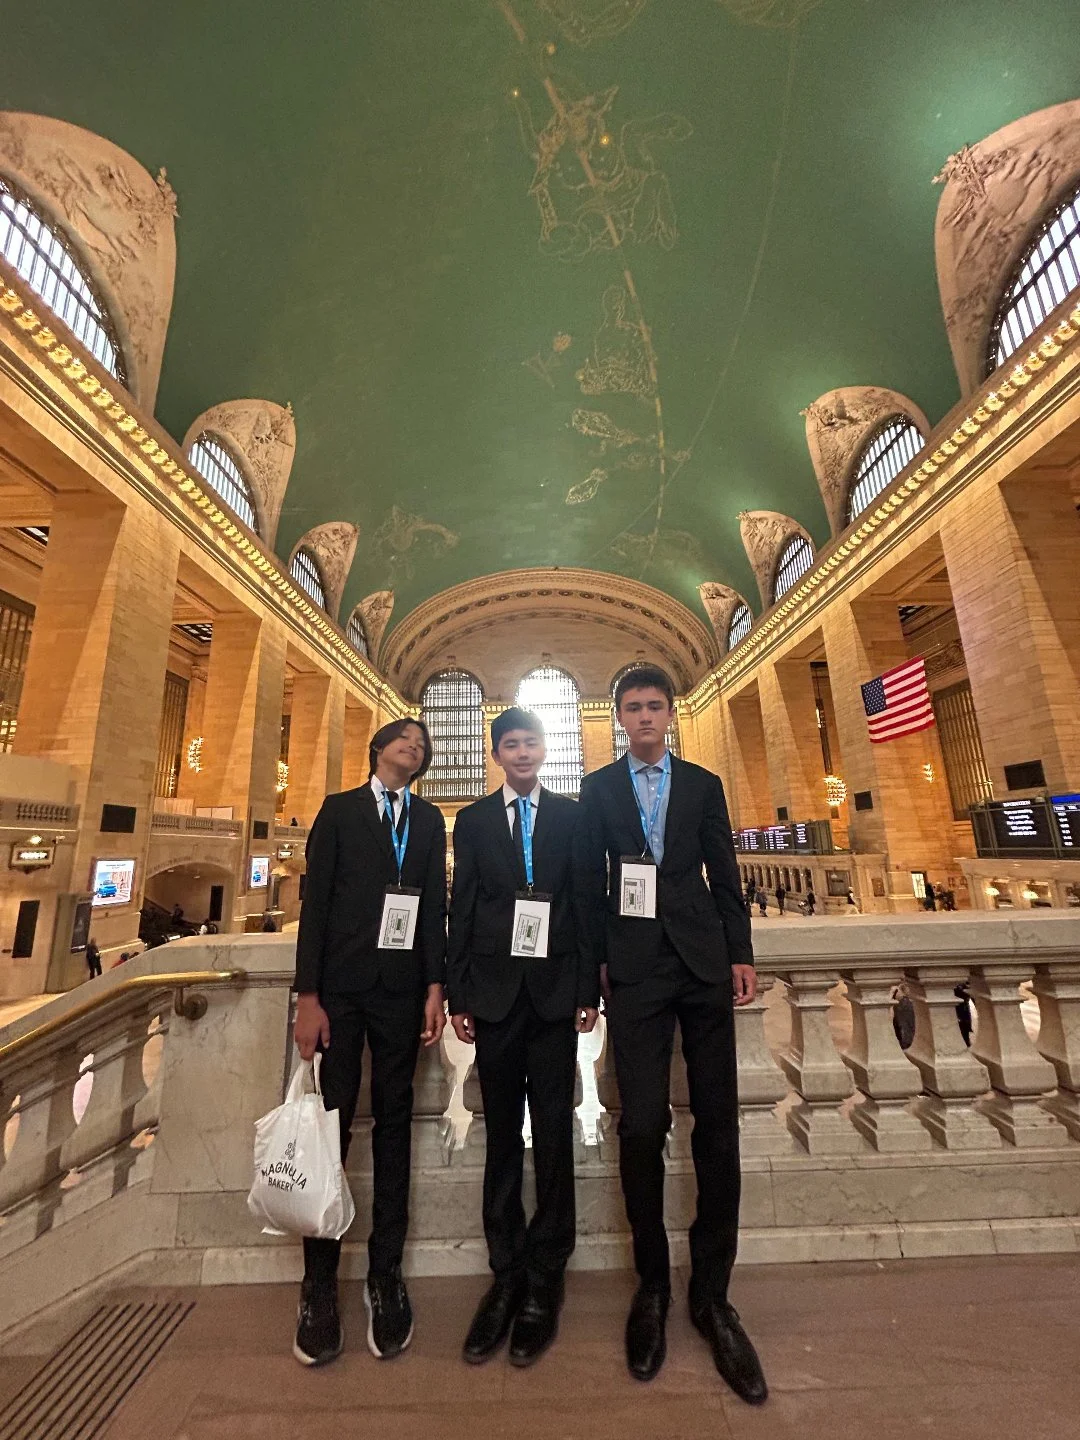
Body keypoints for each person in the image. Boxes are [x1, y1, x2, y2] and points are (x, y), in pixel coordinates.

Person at [575, 665, 766, 1405]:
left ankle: (713, 1296)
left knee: (717, 1125)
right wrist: (595, 958)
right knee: (642, 1123)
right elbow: (592, 880)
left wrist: (740, 953)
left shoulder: (703, 784)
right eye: (634, 707)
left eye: (656, 706)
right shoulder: (598, 789)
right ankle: (652, 1285)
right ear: (620, 716)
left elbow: (726, 871)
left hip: (703, 960)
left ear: (669, 714)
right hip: (634, 969)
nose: (646, 716)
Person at [292, 718, 447, 1368]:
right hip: (342, 989)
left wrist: (435, 986)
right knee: (332, 1128)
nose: (413, 745)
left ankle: (386, 1274)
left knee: (394, 1124)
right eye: (403, 738)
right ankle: (319, 1284)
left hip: (402, 992)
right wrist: (307, 996)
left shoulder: (431, 819)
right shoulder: (339, 811)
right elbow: (317, 906)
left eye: (422, 742)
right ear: (379, 749)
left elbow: (435, 901)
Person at [447, 707, 598, 1368]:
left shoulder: (571, 815)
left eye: (531, 741)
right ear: (498, 753)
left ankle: (547, 1272)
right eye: (511, 743)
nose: (523, 751)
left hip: (556, 994)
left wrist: (588, 991)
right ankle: (505, 1270)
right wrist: (459, 993)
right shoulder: (475, 820)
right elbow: (463, 906)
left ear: (544, 748)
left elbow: (586, 901)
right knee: (503, 1133)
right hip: (497, 997)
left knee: (556, 1135)